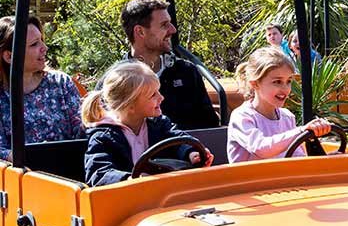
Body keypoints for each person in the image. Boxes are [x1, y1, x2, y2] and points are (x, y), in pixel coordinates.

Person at [83, 60, 214, 186]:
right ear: (130, 105)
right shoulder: (103, 137)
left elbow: (178, 140)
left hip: (164, 194)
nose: (161, 98)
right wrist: (129, 180)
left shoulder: (159, 124)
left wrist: (191, 152)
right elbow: (98, 173)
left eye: (159, 91)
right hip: (125, 201)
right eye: (153, 95)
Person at [120, 0, 219, 131]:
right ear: (140, 32)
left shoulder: (187, 72)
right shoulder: (116, 81)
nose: (173, 30)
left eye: (170, 23)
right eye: (164, 25)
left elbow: (211, 130)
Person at [0, 15, 83, 161]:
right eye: (34, 44)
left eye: (42, 41)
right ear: (9, 56)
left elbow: (83, 129)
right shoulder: (2, 98)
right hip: (22, 179)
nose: (44, 48)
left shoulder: (60, 83)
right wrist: (37, 157)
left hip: (72, 171)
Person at [227, 46, 331, 163]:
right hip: (250, 180)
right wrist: (301, 130)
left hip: (284, 179)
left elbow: (298, 158)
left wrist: (326, 159)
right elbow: (261, 148)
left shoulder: (287, 117)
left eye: (288, 81)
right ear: (255, 84)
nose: (285, 89)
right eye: (277, 82)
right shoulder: (242, 117)